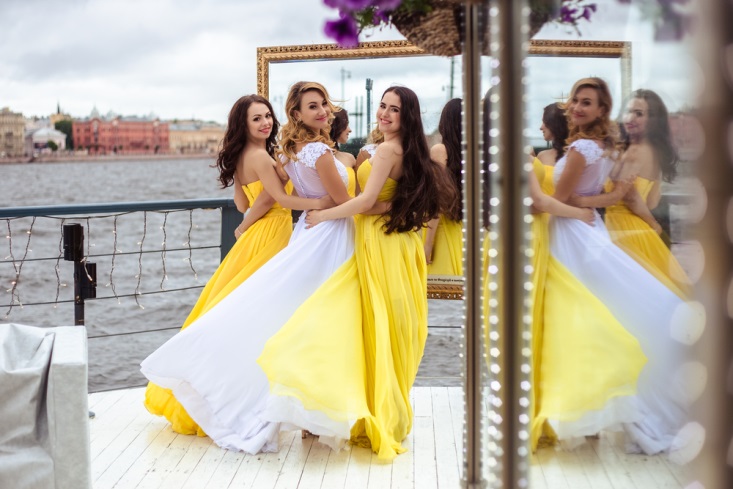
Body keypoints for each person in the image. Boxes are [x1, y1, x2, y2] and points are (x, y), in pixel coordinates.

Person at [141, 82, 372, 454]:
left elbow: (248, 199)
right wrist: (325, 202)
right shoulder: (288, 156)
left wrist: (246, 223)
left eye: (267, 116)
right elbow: (279, 198)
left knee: (249, 303)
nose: (265, 123)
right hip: (297, 230)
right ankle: (293, 401)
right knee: (277, 311)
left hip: (284, 230)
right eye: (257, 118)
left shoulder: (283, 154)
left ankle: (283, 398)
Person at [538, 77, 696, 456]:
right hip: (589, 229)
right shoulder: (605, 148)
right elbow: (612, 195)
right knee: (602, 312)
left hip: (569, 231)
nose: (577, 107)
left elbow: (556, 199)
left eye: (587, 102)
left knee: (579, 315)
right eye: (575, 99)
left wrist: (572, 200)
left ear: (600, 110)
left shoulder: (580, 148)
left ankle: (582, 405)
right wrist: (589, 201)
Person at [303, 86, 454, 460]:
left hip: (381, 243)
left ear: (408, 116)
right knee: (385, 325)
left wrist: (322, 215)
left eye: (394, 110)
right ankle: (382, 413)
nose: (384, 114)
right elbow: (393, 199)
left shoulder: (387, 150)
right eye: (382, 106)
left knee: (378, 324)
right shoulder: (406, 150)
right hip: (397, 242)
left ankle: (375, 414)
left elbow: (367, 201)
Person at [573, 89, 691, 298]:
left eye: (639, 113)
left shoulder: (635, 151)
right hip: (638, 231)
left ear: (652, 121)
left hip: (623, 231)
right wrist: (652, 225)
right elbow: (652, 201)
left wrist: (578, 200)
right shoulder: (653, 150)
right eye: (628, 111)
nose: (630, 118)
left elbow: (629, 198)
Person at [423, 98, 463, 275]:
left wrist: (428, 243)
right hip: (465, 228)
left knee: (440, 293)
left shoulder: (440, 150)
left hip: (444, 228)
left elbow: (438, 200)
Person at [330, 108, 357, 197]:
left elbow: (358, 193)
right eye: (346, 125)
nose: (350, 130)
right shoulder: (314, 158)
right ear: (335, 126)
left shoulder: (350, 158)